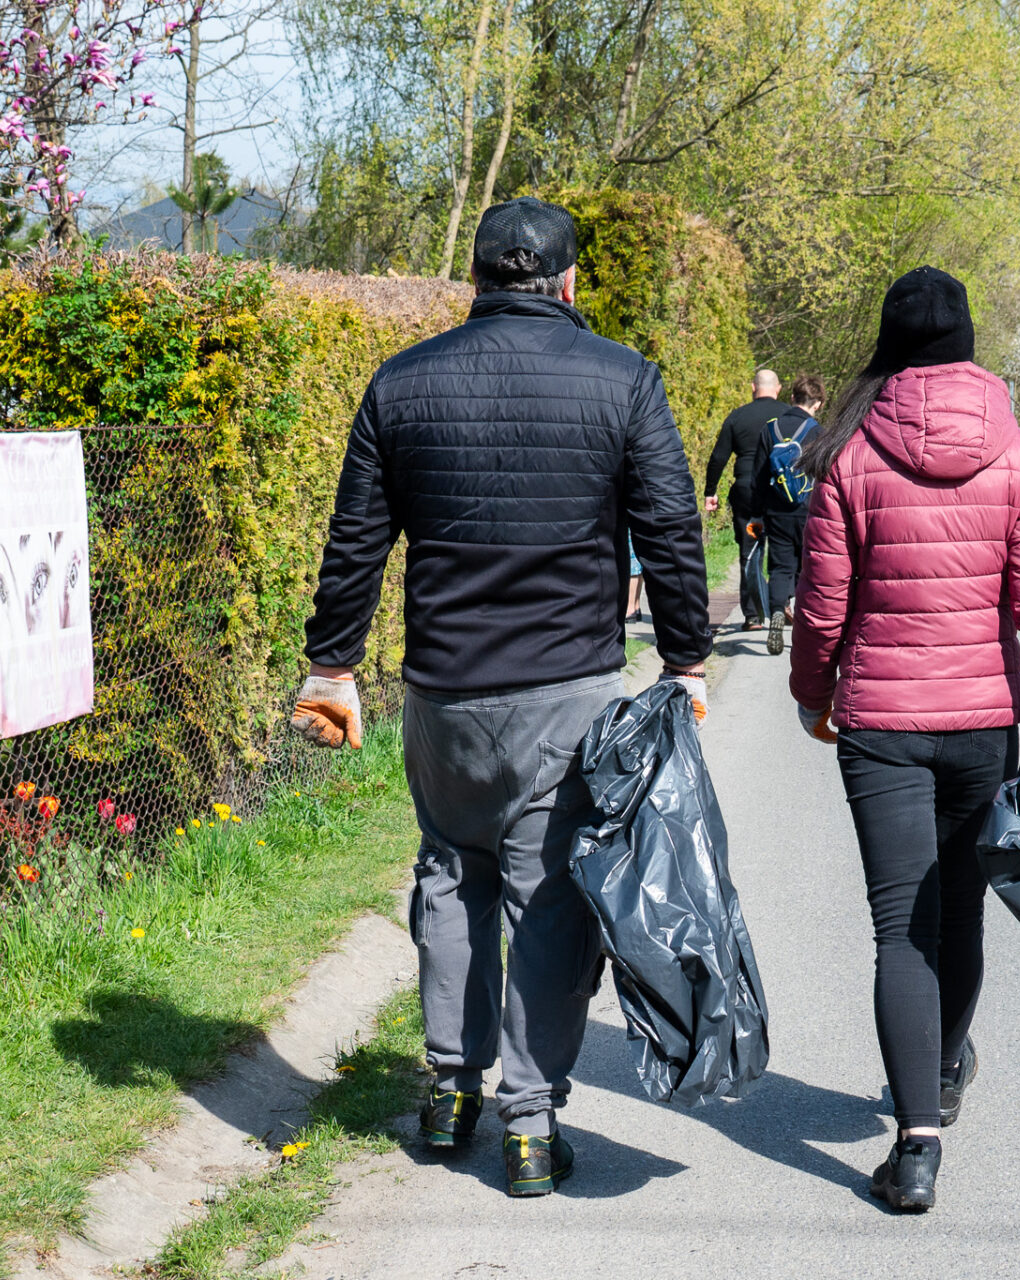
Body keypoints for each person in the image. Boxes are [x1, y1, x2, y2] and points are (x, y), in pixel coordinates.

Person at [289, 196, 713, 1199]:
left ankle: (449, 1092)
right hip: (566, 688)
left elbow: (356, 540)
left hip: (443, 689)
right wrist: (686, 660)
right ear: (570, 282)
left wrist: (331, 664)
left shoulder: (402, 382)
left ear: (475, 278)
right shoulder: (623, 377)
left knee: (450, 873)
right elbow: (669, 528)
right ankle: (530, 1122)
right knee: (547, 895)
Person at [788, 266, 1020, 1213]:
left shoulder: (848, 453)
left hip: (879, 726)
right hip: (980, 724)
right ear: (967, 343)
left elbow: (823, 608)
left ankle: (916, 1145)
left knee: (899, 928)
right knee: (959, 914)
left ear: (889, 347)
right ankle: (946, 1067)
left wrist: (811, 696)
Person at [703, 368, 789, 627]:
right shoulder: (788, 416)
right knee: (782, 549)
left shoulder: (737, 417)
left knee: (750, 550)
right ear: (778, 388)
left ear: (753, 388)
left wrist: (710, 491)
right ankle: (782, 603)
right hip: (780, 493)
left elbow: (718, 457)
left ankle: (753, 615)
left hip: (747, 493)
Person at [760, 373, 824, 655]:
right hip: (808, 509)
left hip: (777, 510)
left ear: (792, 397)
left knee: (779, 565)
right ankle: (803, 624)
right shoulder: (818, 432)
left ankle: (777, 609)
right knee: (806, 566)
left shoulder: (770, 428)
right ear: (818, 403)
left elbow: (758, 476)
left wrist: (757, 513)